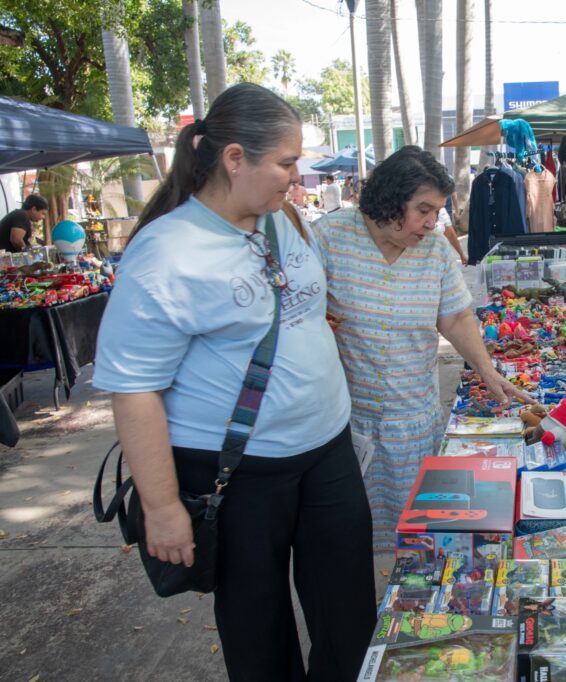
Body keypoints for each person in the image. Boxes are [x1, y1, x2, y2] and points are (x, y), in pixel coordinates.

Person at [91, 83, 375, 682]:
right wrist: (163, 507)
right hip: (239, 472)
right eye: (286, 163)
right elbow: (134, 390)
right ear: (234, 158)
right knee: (258, 624)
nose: (297, 178)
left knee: (347, 609)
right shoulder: (166, 252)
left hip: (326, 450)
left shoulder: (282, 219)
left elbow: (293, 305)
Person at [312, 146, 531, 550]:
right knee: (345, 540)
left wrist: (486, 370)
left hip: (413, 421)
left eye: (437, 212)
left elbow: (456, 317)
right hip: (346, 424)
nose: (432, 223)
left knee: (418, 540)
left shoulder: (435, 252)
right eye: (423, 210)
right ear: (390, 199)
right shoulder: (329, 236)